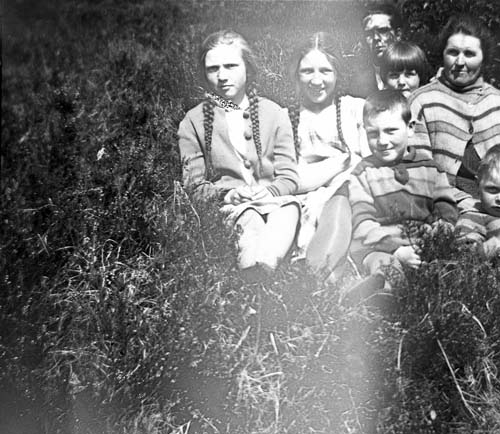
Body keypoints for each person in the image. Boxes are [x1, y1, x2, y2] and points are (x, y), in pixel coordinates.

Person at [178, 30, 299, 276]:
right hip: (231, 206)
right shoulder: (192, 121)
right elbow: (194, 185)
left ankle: (262, 273)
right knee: (250, 217)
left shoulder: (274, 113)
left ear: (248, 69)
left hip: (273, 200)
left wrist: (269, 191)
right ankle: (255, 280)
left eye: (231, 66)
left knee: (289, 210)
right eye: (213, 69)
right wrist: (228, 194)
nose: (222, 76)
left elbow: (289, 177)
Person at [408, 14, 500, 211]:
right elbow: (420, 169)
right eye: (453, 52)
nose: (460, 61)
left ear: (484, 57)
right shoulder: (422, 101)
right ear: (443, 54)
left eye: (469, 54)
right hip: (443, 205)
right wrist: (464, 202)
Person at [346, 90, 458, 299]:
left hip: (423, 245)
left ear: (410, 128)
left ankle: (422, 291)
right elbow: (363, 224)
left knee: (445, 268)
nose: (382, 141)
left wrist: (428, 242)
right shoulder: (363, 172)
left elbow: (447, 211)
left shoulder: (430, 168)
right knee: (384, 263)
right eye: (373, 133)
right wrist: (396, 249)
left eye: (391, 131)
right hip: (380, 246)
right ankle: (382, 293)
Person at [287, 32, 370, 277]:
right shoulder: (287, 117)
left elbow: (369, 164)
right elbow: (289, 177)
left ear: (337, 73)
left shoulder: (355, 109)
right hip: (306, 197)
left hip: (351, 192)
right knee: (318, 208)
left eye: (325, 71)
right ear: (296, 74)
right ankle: (320, 278)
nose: (316, 80)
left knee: (341, 201)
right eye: (307, 71)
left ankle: (322, 278)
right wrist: (339, 163)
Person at [349, 1, 403, 98]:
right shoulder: (355, 81)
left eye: (383, 31)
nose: (376, 38)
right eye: (369, 34)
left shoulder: (414, 73)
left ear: (398, 35)